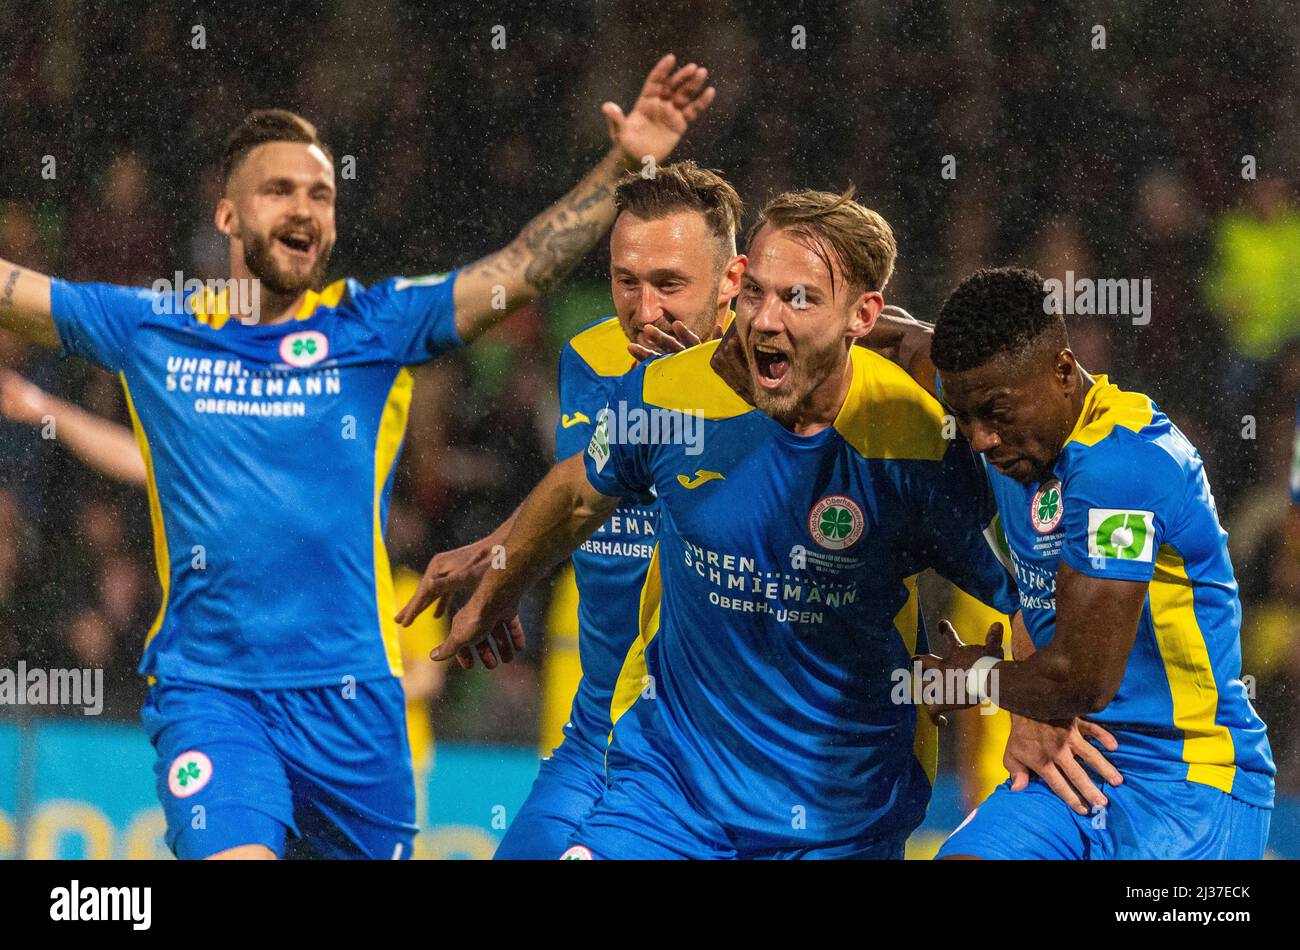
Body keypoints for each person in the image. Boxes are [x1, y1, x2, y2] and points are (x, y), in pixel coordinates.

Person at [0, 54, 716, 859]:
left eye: (320, 195)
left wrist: (627, 159)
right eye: (279, 190)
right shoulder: (152, 328)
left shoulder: (373, 327)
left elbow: (522, 268)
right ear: (229, 217)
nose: (304, 208)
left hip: (357, 707)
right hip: (214, 696)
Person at [425, 190, 1019, 859]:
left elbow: (1025, 588)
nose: (766, 320)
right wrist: (503, 575)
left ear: (863, 315)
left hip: (838, 810)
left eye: (796, 299)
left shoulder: (917, 439)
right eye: (758, 295)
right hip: (670, 789)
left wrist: (1007, 685)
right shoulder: (661, 391)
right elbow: (578, 494)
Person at [398, 160, 745, 858]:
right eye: (627, 282)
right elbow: (585, 492)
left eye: (671, 285)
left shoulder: (783, 386)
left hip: (734, 764)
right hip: (602, 741)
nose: (645, 312)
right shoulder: (590, 360)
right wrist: (505, 565)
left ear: (733, 281)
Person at [920, 266, 1275, 859]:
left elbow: (1081, 678)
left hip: (1187, 784)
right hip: (1066, 765)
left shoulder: (1123, 465)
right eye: (965, 417)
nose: (979, 439)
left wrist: (972, 678)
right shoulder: (1008, 416)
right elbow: (892, 334)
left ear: (1063, 372)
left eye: (996, 413)